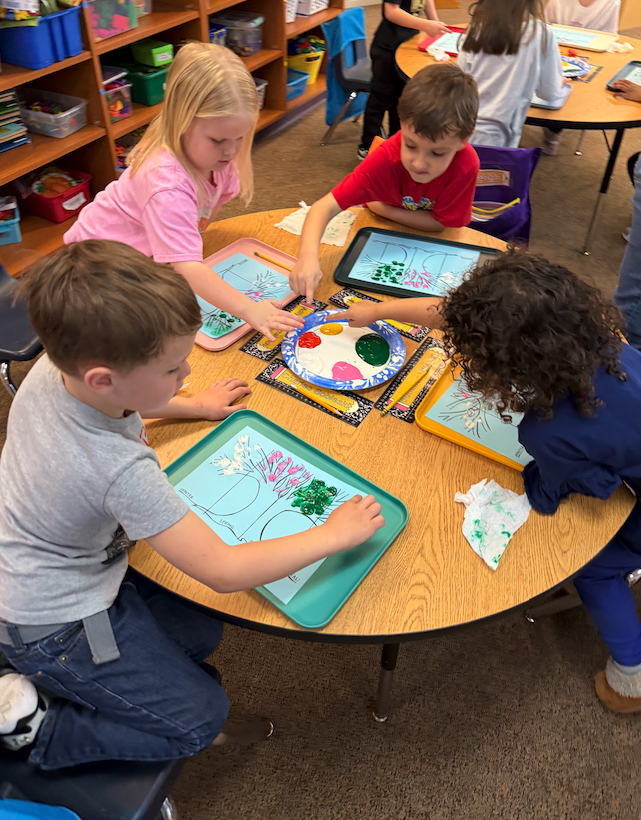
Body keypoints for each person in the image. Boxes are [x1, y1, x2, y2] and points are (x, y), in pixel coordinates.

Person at [0, 240, 385, 768]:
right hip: (53, 623)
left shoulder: (55, 367)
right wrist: (333, 535)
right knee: (201, 720)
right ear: (103, 378)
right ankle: (36, 730)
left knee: (198, 631)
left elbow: (123, 406)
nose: (185, 373)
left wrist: (192, 406)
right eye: (171, 369)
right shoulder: (120, 471)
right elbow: (224, 570)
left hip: (55, 566)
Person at [336, 251, 641, 712]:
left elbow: (562, 490)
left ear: (502, 362)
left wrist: (537, 476)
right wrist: (378, 311)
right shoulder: (609, 342)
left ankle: (631, 675)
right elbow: (460, 316)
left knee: (595, 568)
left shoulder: (548, 430)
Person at [64, 43, 302, 343]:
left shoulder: (217, 159)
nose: (231, 151)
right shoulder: (167, 183)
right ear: (182, 122)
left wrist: (182, 250)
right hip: (95, 270)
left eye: (240, 137)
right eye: (217, 140)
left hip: (143, 259)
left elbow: (204, 218)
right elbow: (187, 266)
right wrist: (249, 309)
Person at [289, 63, 480, 304]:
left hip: (422, 244)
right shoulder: (385, 158)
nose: (419, 163)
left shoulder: (466, 165)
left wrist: (382, 208)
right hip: (376, 234)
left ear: (464, 139)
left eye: (437, 153)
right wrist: (307, 257)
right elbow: (323, 207)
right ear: (401, 122)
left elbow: (442, 225)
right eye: (410, 145)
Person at [456, 0, 564, 148]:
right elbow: (549, 93)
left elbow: (457, 81)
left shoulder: (477, 28)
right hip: (499, 138)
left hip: (459, 130)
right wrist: (558, 81)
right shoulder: (541, 33)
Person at [357, 0, 450, 160]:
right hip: (387, 49)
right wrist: (426, 25)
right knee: (379, 100)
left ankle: (396, 143)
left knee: (401, 100)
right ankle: (368, 147)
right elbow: (391, 12)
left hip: (408, 44)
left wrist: (435, 23)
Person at [541, 0, 620, 154]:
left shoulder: (612, 2)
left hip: (590, 55)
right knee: (552, 89)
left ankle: (554, 130)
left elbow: (610, 36)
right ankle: (551, 135)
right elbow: (544, 27)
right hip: (557, 50)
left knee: (579, 91)